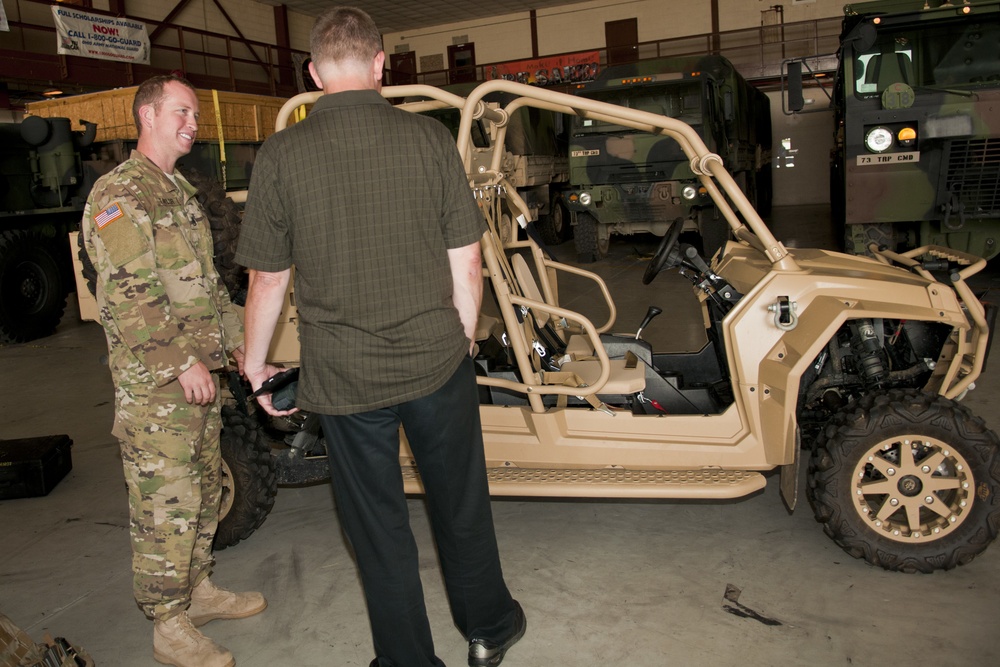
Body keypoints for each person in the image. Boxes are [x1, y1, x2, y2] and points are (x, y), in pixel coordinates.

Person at [235, 7, 526, 667]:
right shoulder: (428, 140)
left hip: (345, 378)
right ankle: (490, 628)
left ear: (313, 73)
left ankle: (408, 659)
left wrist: (254, 368)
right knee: (460, 504)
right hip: (436, 362)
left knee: (378, 529)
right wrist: (461, 340)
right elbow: (469, 262)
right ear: (379, 65)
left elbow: (267, 282)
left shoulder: (282, 154)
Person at [81, 75, 266, 667]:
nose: (193, 122)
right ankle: (167, 624)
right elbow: (129, 296)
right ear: (147, 115)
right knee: (167, 502)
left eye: (193, 113)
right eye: (181, 111)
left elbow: (204, 290)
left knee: (206, 488)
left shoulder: (176, 190)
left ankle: (198, 590)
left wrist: (243, 345)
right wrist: (179, 360)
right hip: (158, 387)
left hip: (200, 377)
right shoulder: (120, 196)